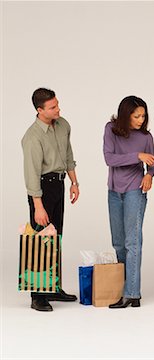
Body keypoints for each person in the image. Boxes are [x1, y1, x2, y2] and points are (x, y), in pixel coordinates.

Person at [22, 88, 80, 312]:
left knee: (56, 238)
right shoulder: (32, 137)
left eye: (57, 104)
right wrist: (38, 206)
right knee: (40, 241)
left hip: (59, 184)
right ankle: (38, 296)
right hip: (41, 189)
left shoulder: (63, 124)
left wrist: (74, 183)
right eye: (52, 107)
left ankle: (53, 287)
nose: (58, 109)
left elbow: (68, 155)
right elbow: (31, 174)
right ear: (39, 110)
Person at [103, 96, 154, 309]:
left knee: (132, 242)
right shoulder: (110, 129)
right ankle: (124, 288)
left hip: (135, 191)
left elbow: (152, 162)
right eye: (136, 116)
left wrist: (149, 175)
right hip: (114, 191)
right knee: (118, 242)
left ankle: (132, 293)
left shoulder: (146, 136)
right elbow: (110, 159)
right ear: (126, 115)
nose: (141, 120)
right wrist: (138, 156)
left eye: (143, 116)